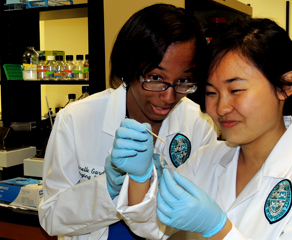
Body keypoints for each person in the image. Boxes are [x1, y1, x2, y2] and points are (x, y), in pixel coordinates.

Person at [112, 17, 292, 239]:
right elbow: (152, 225)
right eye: (211, 93)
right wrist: (140, 178)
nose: (221, 108)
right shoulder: (206, 160)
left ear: (285, 86)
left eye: (236, 90)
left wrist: (219, 230)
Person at [38, 3, 218, 240]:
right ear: (129, 68)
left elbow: (194, 225)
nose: (168, 96)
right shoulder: (76, 119)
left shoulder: (198, 126)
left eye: (183, 80)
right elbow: (51, 218)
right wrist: (108, 189)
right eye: (155, 77)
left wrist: (152, 189)